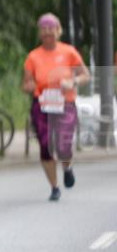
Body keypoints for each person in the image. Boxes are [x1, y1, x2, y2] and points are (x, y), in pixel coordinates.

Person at [22, 12, 90, 200]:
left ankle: (67, 168)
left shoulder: (68, 52)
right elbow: (25, 84)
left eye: (51, 28)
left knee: (64, 144)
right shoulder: (33, 56)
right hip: (42, 105)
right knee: (45, 145)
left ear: (58, 31)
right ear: (39, 33)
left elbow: (86, 75)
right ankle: (54, 187)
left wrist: (72, 82)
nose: (47, 32)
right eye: (43, 29)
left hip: (65, 103)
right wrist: (32, 86)